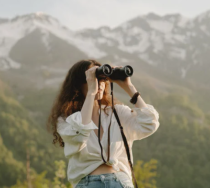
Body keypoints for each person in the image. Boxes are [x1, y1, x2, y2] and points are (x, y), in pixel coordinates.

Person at [47, 59, 160, 188]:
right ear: (79, 84)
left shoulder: (117, 113)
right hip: (87, 184)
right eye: (95, 78)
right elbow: (80, 135)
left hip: (120, 182)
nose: (100, 84)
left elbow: (150, 123)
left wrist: (128, 87)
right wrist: (91, 93)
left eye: (102, 79)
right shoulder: (66, 119)